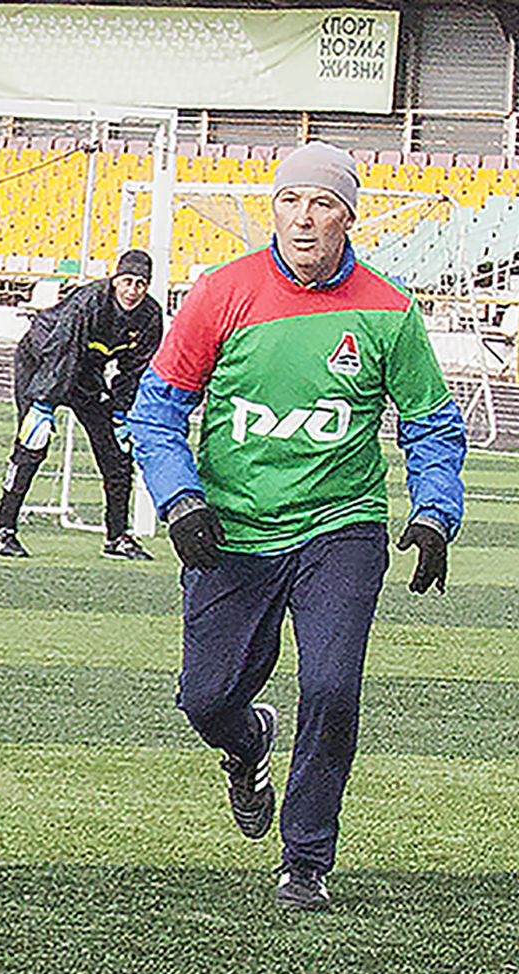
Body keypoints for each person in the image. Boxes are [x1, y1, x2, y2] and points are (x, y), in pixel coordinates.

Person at [129, 141, 465, 911]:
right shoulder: (220, 292)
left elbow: (431, 423)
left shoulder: (389, 311)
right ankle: (248, 743)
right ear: (274, 210)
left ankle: (306, 858)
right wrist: (180, 499)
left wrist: (435, 512)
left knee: (333, 688)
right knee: (206, 699)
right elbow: (157, 411)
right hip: (233, 529)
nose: (304, 217)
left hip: (341, 526)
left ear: (348, 216)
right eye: (291, 201)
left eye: (322, 203)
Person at [0, 248, 163, 560]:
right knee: (32, 444)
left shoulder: (150, 316)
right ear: (115, 280)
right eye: (127, 281)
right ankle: (4, 531)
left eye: (140, 283)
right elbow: (61, 350)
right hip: (42, 362)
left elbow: (135, 369)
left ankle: (117, 537)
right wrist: (43, 403)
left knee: (117, 453)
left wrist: (122, 412)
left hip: (85, 372)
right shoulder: (88, 303)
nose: (132, 290)